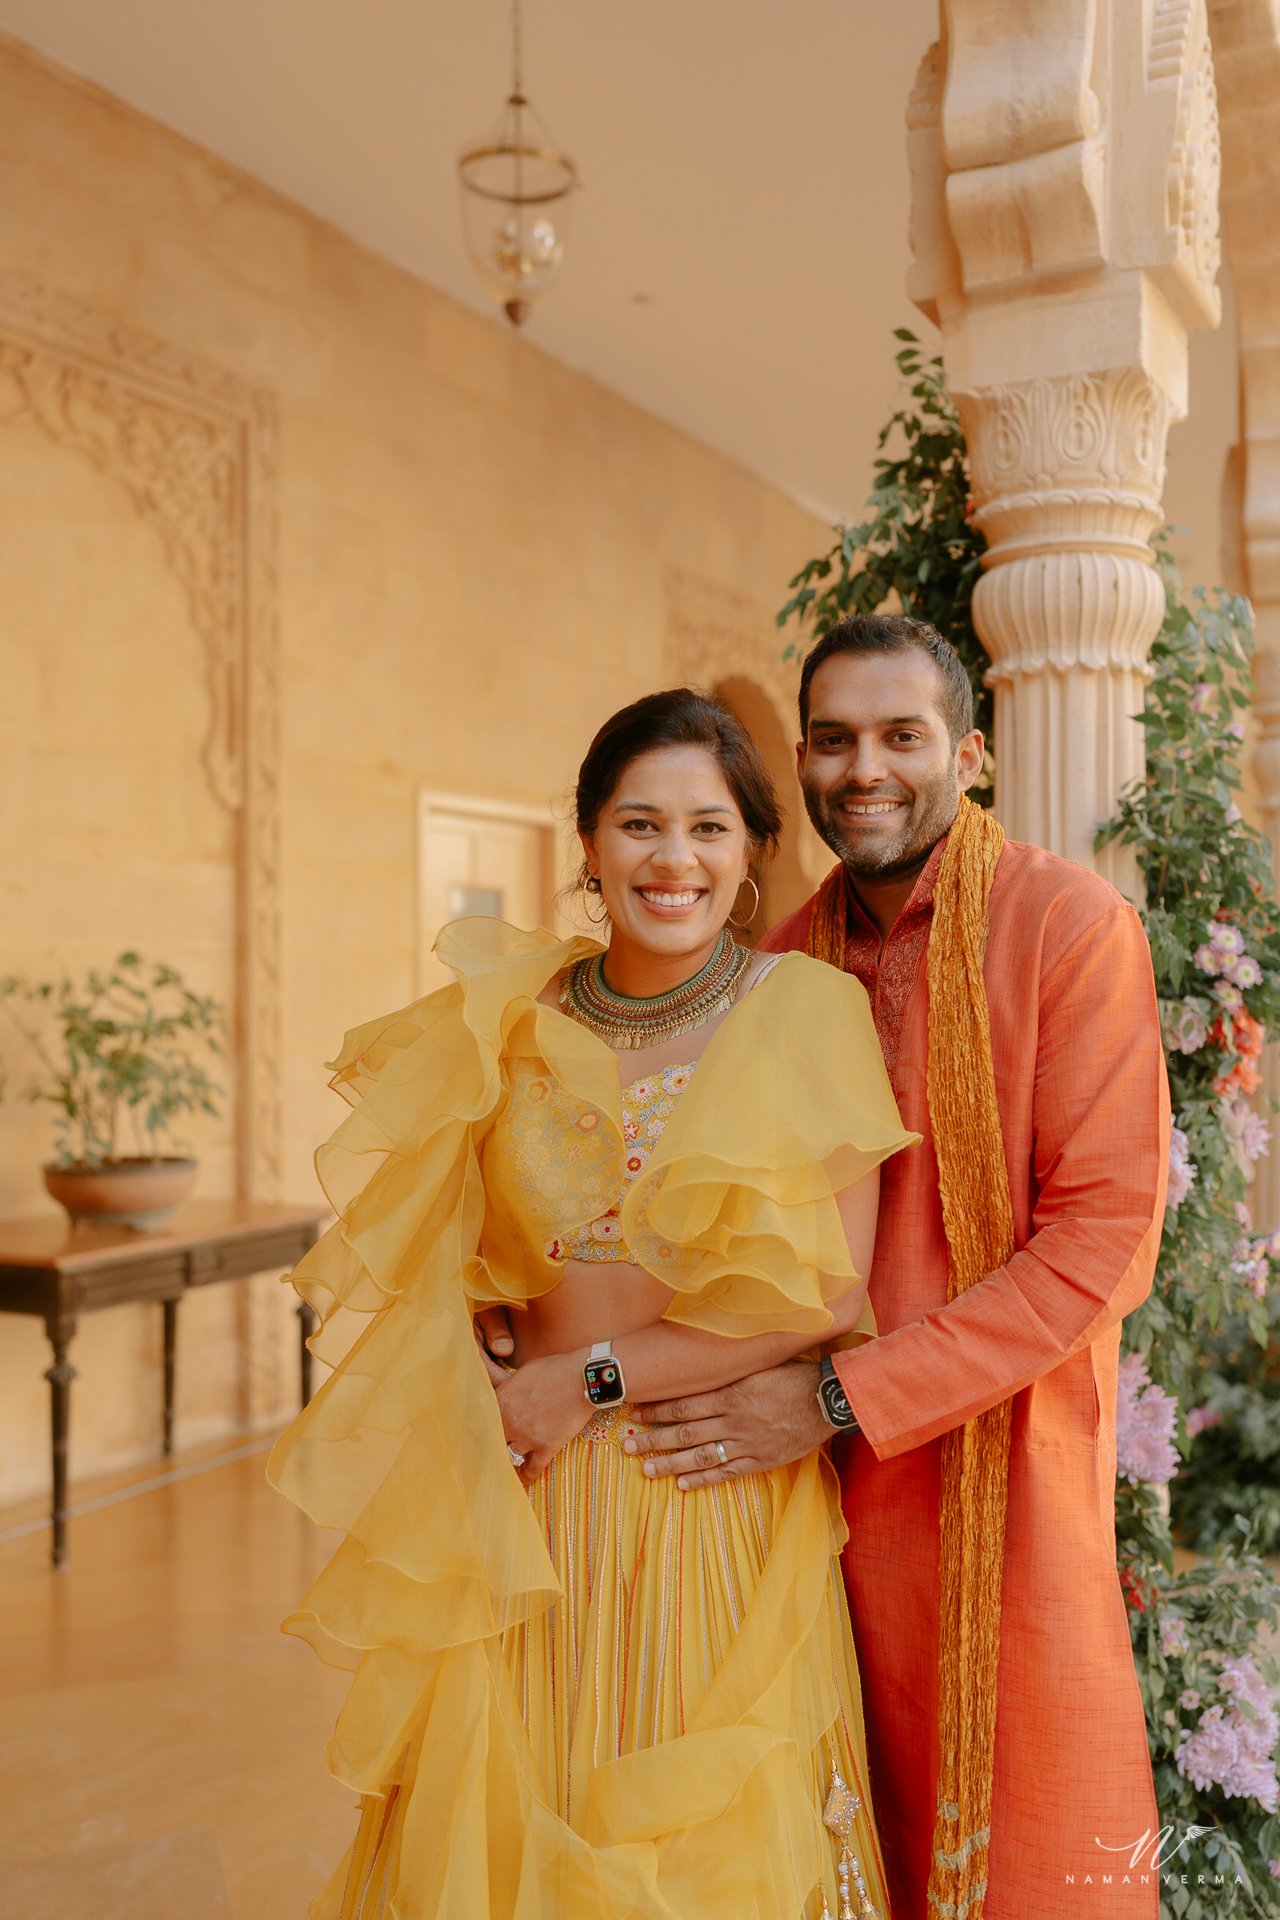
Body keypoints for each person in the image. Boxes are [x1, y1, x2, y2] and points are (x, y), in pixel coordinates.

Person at [269, 688, 919, 1920]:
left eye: (708, 829)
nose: (672, 860)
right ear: (585, 844)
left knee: (690, 1846)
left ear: (746, 856)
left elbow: (825, 1292)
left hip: (703, 1478)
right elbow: (455, 1249)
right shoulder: (506, 1016)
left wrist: (589, 1378)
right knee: (511, 1821)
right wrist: (482, 1330)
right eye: (638, 825)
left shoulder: (801, 1012)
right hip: (526, 1495)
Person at [622, 616, 1171, 1920]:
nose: (863, 768)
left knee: (1033, 1860)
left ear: (968, 753)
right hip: (801, 1511)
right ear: (800, 763)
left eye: (900, 736)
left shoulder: (1068, 928)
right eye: (832, 740)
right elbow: (682, 1212)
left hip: (1004, 1493)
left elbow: (1101, 1244)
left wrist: (834, 1397)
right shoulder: (774, 967)